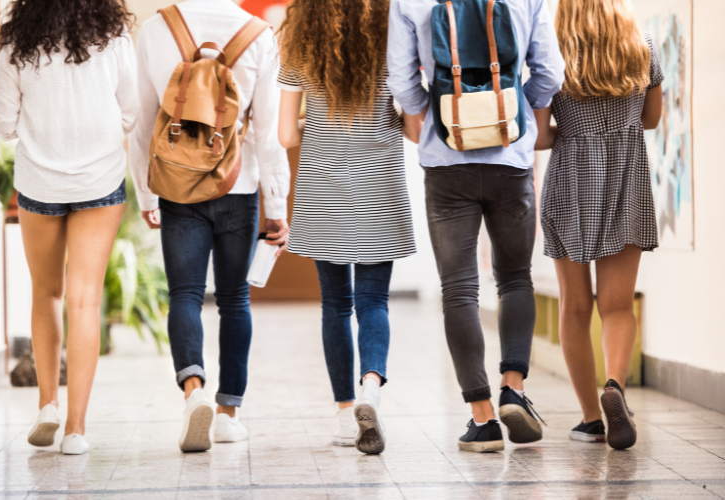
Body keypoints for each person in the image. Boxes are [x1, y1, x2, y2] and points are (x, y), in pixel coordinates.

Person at [387, 0, 565, 452]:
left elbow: (403, 83)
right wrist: (515, 109)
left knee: (459, 289)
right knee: (514, 278)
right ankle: (514, 388)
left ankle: (482, 418)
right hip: (511, 157)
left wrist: (440, 115)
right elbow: (550, 72)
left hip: (447, 162)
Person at [129, 0, 290, 452]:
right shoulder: (257, 35)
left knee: (184, 294)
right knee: (235, 300)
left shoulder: (157, 28)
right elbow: (268, 134)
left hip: (177, 186)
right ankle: (226, 415)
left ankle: (192, 391)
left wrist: (146, 192)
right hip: (238, 187)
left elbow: (144, 123)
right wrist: (276, 204)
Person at [0, 0, 138, 455]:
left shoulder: (16, 43)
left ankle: (47, 406)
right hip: (100, 178)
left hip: (39, 182)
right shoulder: (113, 39)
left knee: (46, 293)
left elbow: (3, 124)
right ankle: (76, 430)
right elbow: (130, 113)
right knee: (84, 299)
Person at [277, 0, 417, 455]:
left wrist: (314, 119)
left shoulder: (301, 42)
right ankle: (371, 387)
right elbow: (414, 125)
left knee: (335, 304)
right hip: (379, 180)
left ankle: (344, 413)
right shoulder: (391, 35)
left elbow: (286, 135)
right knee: (374, 300)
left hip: (323, 184)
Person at [535, 0, 663, 450]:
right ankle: (615, 387)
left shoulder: (551, 51)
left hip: (569, 181)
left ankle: (591, 418)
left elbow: (539, 135)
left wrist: (571, 130)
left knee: (574, 306)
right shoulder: (642, 46)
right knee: (617, 305)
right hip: (626, 180)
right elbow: (650, 119)